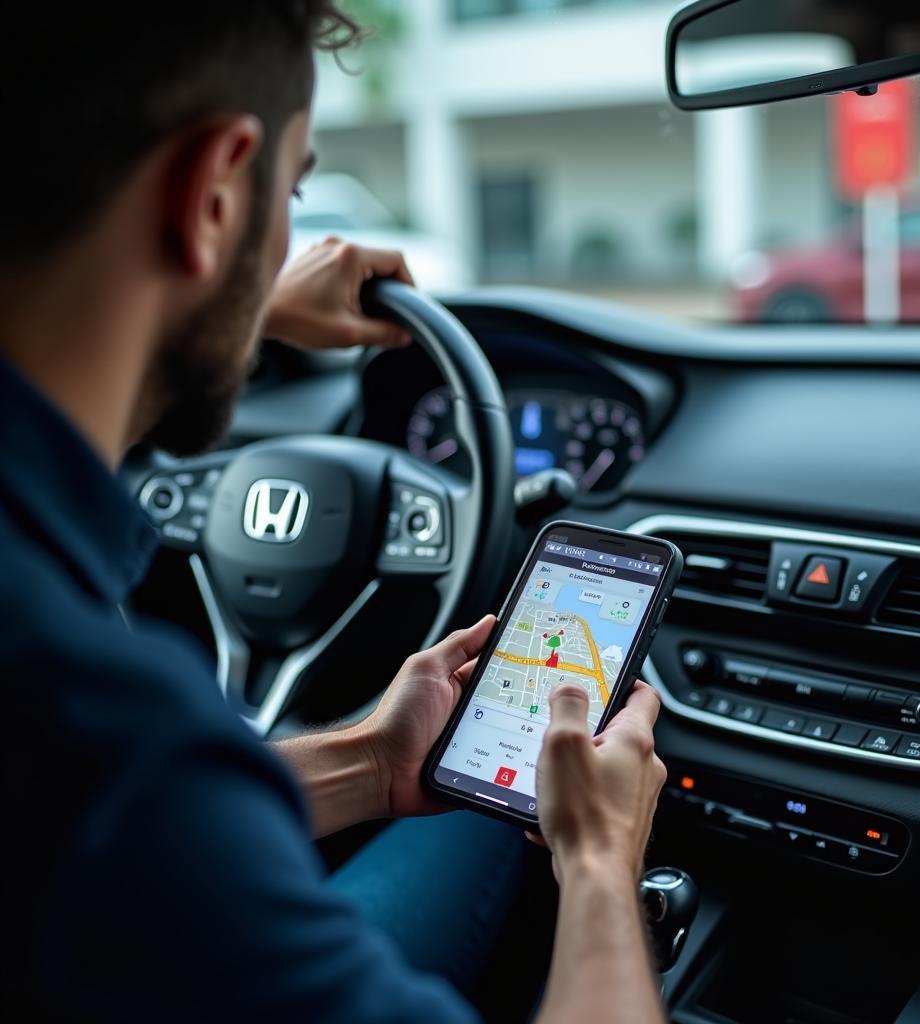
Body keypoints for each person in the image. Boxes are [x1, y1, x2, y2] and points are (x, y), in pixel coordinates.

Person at [0, 5, 668, 1022]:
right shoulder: (108, 742)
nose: (289, 234)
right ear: (213, 191)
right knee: (513, 811)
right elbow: (122, 812)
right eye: (294, 190)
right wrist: (596, 860)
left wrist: (368, 758)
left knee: (462, 788)